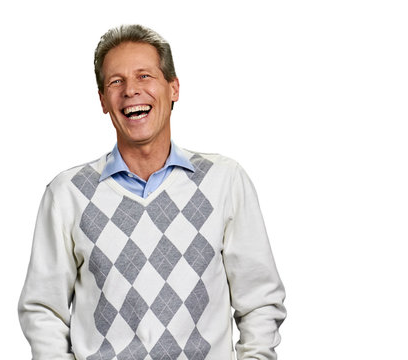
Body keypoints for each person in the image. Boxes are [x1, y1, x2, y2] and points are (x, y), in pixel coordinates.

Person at [18, 24, 286, 360]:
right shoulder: (68, 194)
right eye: (116, 81)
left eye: (145, 76)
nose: (131, 90)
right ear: (103, 99)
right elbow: (43, 310)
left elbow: (260, 301)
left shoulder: (224, 182)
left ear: (173, 88)